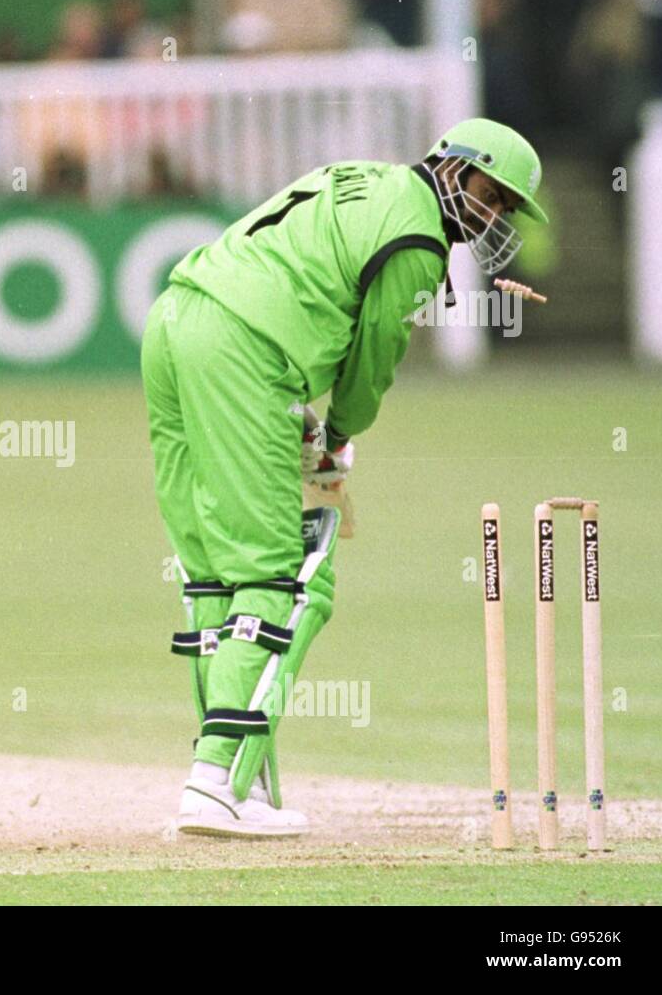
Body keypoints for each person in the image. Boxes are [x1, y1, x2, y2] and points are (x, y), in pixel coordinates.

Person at [140, 118, 547, 836]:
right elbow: (374, 356)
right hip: (245, 352)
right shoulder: (419, 240)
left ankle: (242, 779)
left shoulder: (366, 177)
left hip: (175, 323)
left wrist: (294, 405)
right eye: (491, 194)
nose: (493, 216)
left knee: (212, 577)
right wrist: (337, 432)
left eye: (507, 208)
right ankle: (214, 781)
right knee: (283, 578)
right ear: (453, 168)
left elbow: (297, 276)